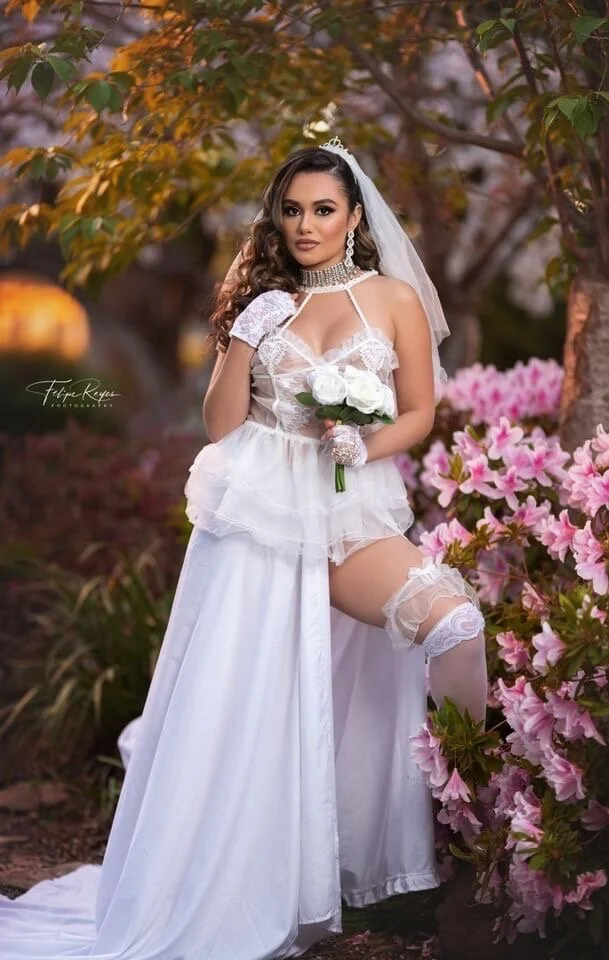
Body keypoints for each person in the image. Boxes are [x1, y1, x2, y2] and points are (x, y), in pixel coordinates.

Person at [0, 138, 487, 959]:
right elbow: (220, 425)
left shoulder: (394, 298)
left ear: (354, 217)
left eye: (323, 209)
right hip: (262, 514)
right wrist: (248, 337)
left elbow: (418, 411)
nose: (306, 225)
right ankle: (246, 875)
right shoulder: (265, 300)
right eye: (292, 210)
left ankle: (473, 833)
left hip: (351, 513)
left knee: (457, 626)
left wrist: (362, 443)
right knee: (249, 701)